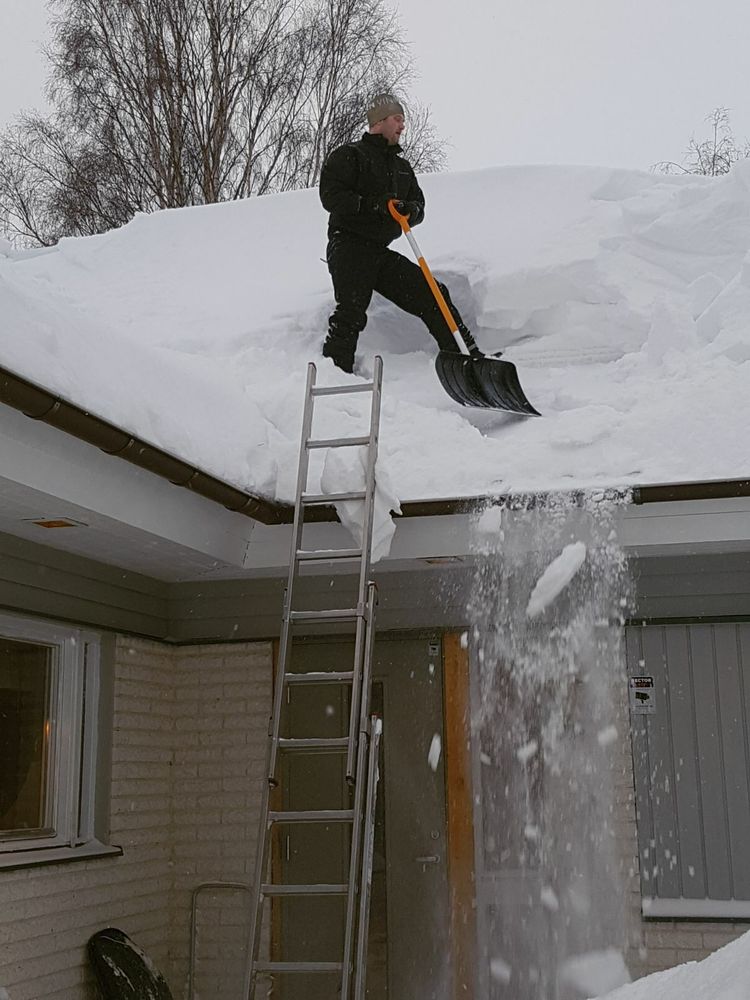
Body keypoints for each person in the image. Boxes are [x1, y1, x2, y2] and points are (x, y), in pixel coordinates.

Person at [319, 93, 483, 374]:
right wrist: (376, 205)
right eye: (398, 119)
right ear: (379, 121)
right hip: (348, 246)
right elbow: (331, 197)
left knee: (433, 293)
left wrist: (410, 211)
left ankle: (467, 358)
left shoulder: (402, 168)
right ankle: (333, 372)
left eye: (403, 120)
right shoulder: (350, 156)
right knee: (352, 311)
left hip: (379, 253)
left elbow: (419, 205)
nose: (402, 126)